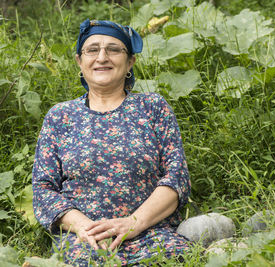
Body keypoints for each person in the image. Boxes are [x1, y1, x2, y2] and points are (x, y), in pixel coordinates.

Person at [32, 19, 191, 266]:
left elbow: (177, 177)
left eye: (114, 49)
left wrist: (133, 223)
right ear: (80, 61)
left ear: (130, 62)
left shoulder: (153, 107)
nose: (102, 57)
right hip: (86, 238)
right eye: (92, 50)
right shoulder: (60, 116)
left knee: (172, 259)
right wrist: (85, 227)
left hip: (150, 232)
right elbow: (43, 189)